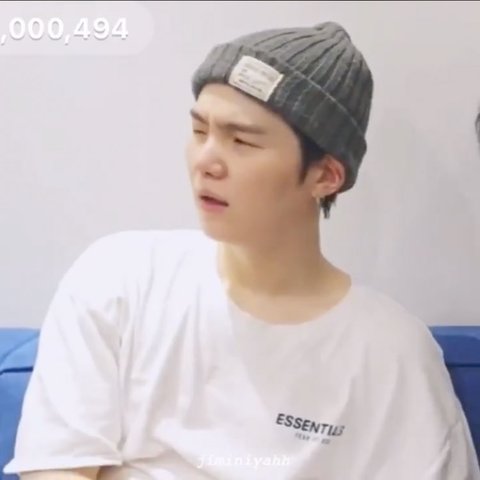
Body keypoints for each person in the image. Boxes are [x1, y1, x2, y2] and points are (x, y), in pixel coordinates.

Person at [4, 21, 479, 480]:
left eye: (242, 141)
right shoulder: (119, 279)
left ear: (325, 175)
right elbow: (56, 466)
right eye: (199, 131)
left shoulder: (391, 351)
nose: (206, 161)